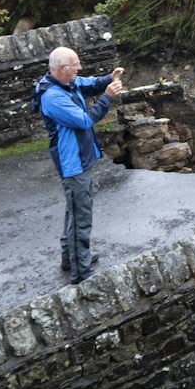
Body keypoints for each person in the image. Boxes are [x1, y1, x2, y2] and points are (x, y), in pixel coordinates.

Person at [33, 47, 124, 284]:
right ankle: (81, 272)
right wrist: (108, 97)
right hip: (72, 164)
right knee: (81, 216)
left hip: (77, 160)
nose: (79, 68)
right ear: (62, 69)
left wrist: (108, 79)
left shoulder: (66, 82)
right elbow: (84, 120)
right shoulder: (53, 97)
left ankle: (70, 259)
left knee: (73, 210)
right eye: (75, 64)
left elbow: (88, 83)